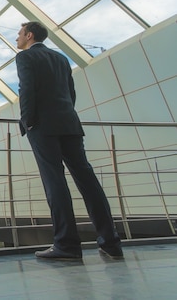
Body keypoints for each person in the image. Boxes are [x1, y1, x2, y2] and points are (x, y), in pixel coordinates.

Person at [15, 21, 122, 260]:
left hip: (43, 127)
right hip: (69, 124)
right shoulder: (61, 58)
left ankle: (67, 245)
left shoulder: (24, 58)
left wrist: (28, 122)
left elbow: (27, 90)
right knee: (88, 181)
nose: (17, 39)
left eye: (19, 34)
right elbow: (70, 93)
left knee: (55, 183)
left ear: (29, 35)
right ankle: (111, 242)